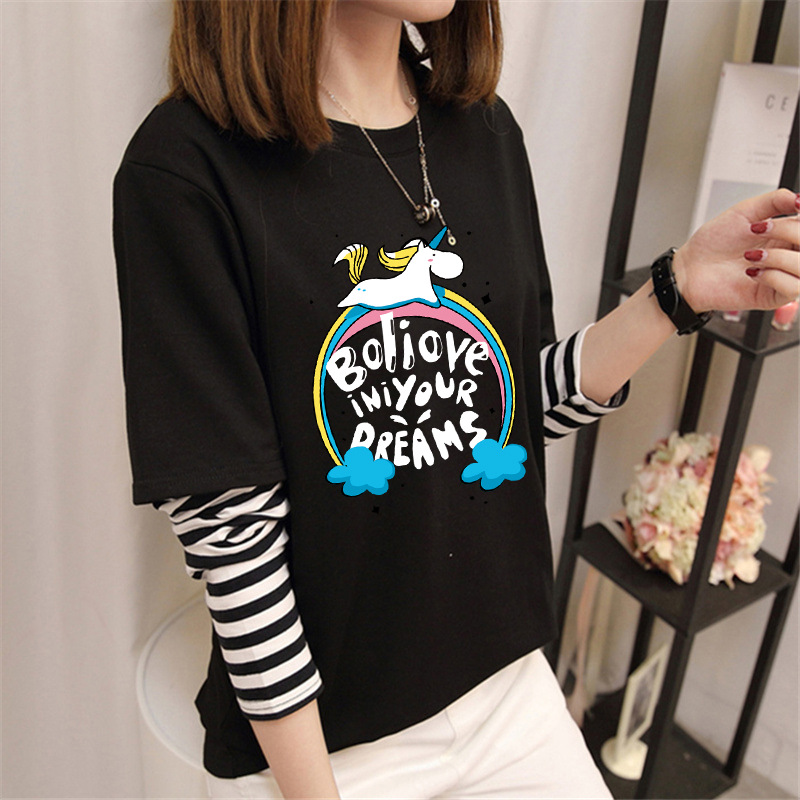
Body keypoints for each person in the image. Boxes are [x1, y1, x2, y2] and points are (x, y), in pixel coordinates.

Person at [112, 1, 800, 798]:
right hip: (330, 743)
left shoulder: (485, 130)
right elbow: (234, 539)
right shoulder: (183, 173)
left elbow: (508, 412)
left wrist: (675, 292)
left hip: (508, 689)